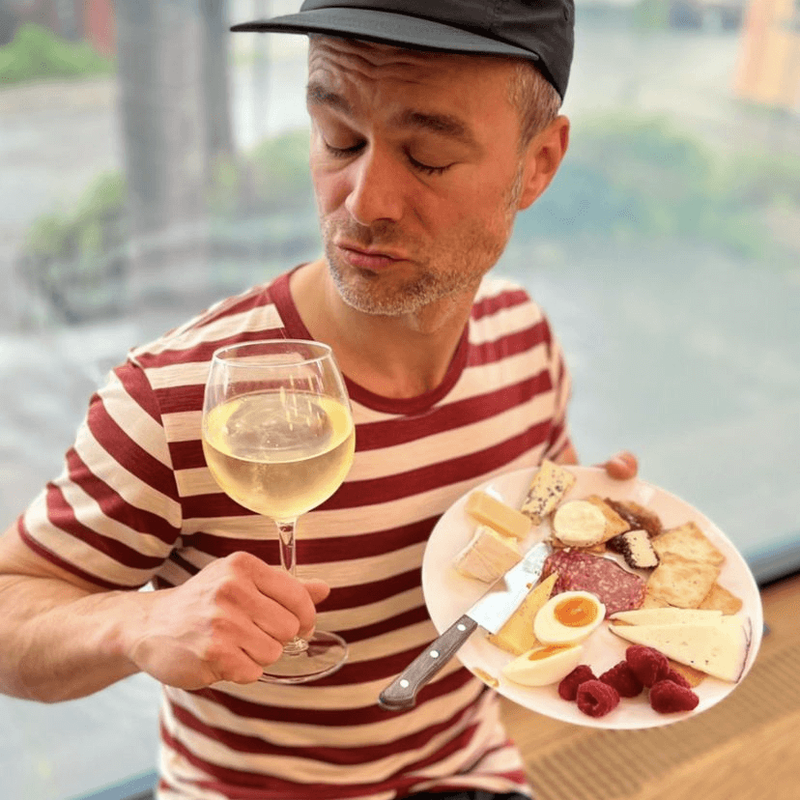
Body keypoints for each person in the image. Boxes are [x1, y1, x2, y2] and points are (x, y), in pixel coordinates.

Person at [0, 2, 638, 799]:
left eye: (428, 158)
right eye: (339, 138)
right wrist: (135, 623)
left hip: (464, 769)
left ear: (537, 165)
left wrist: (602, 522)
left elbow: (544, 525)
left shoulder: (524, 339)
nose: (363, 202)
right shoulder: (174, 399)